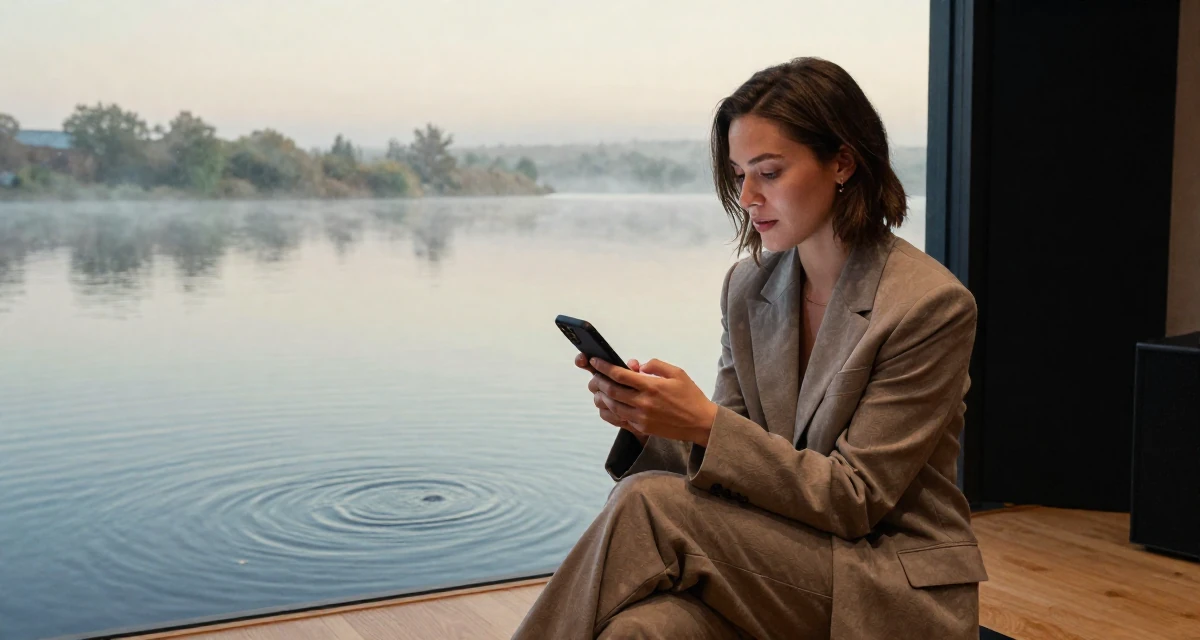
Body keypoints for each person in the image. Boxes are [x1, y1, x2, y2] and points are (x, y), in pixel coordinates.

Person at [513, 57, 987, 640]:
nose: (747, 196)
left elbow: (855, 499)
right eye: (738, 174)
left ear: (842, 162)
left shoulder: (930, 305)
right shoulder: (748, 287)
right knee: (641, 631)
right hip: (774, 563)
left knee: (647, 506)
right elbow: (742, 468)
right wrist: (653, 424)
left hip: (886, 583)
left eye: (768, 171)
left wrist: (705, 425)